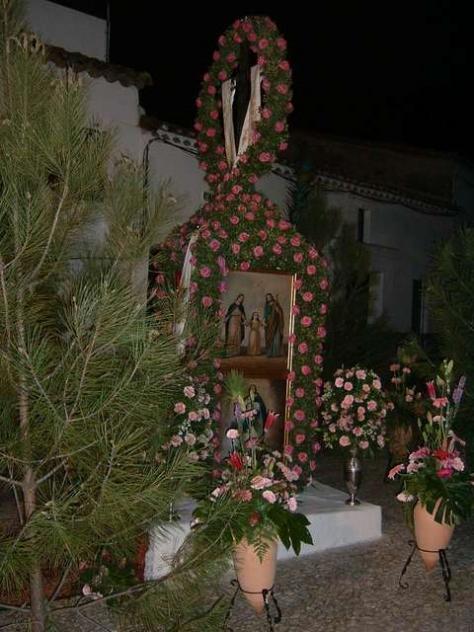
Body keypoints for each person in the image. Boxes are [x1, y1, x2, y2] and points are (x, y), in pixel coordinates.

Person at [263, 293, 284, 357]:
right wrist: (264, 321)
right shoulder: (266, 305)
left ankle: (275, 353)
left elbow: (280, 311)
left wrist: (277, 310)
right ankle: (269, 353)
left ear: (271, 297)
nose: (268, 298)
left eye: (269, 297)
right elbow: (265, 315)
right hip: (269, 323)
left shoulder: (275, 303)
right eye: (267, 297)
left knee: (276, 337)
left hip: (275, 323)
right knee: (269, 337)